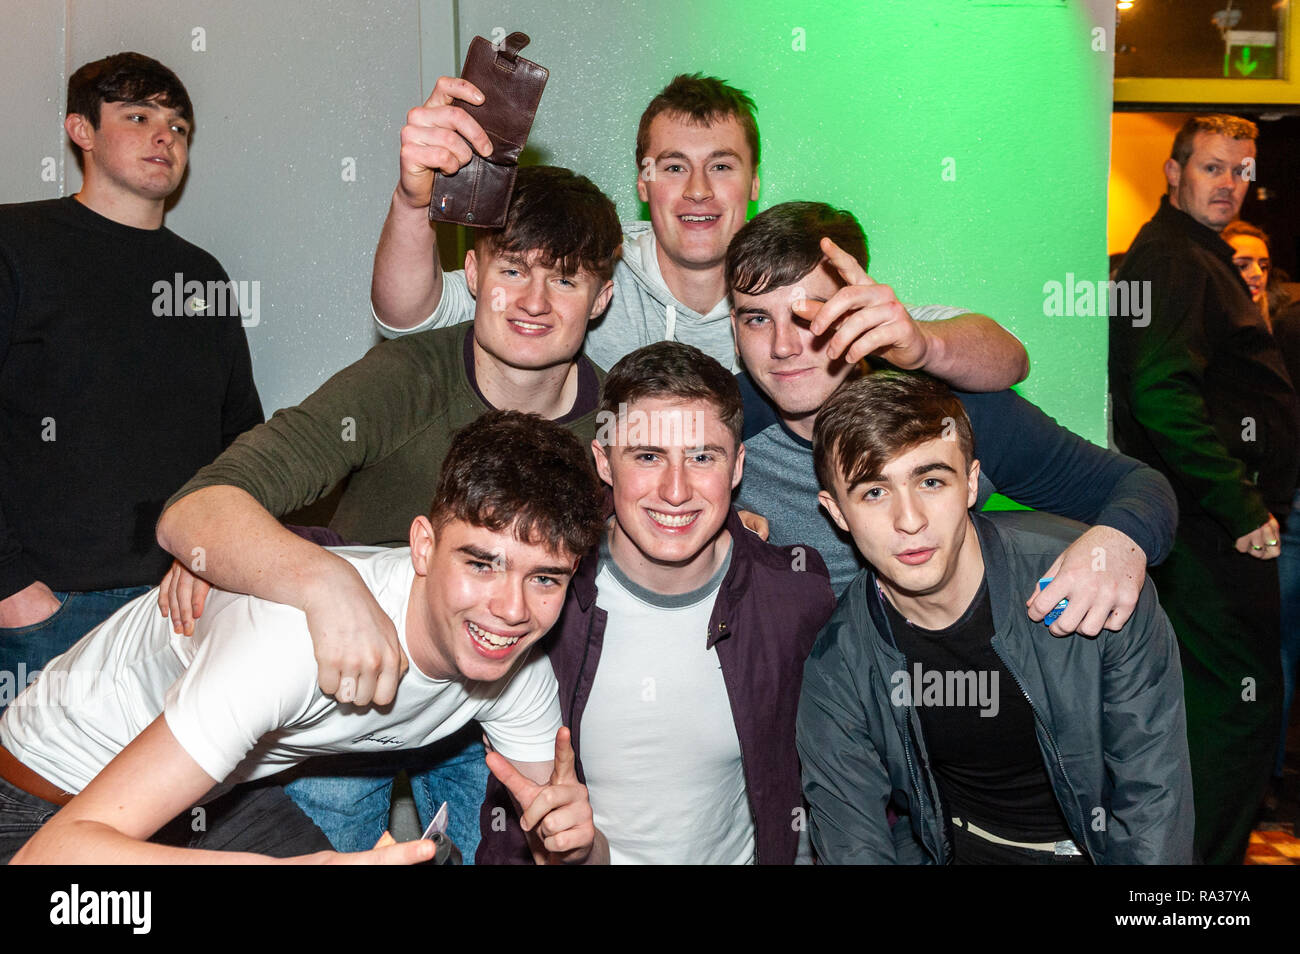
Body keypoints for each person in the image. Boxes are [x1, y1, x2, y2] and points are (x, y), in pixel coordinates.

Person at [153, 164, 620, 858]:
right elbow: (205, 504)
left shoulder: (615, 429)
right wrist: (240, 558)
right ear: (472, 271)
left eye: (566, 278)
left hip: (500, 698)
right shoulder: (406, 377)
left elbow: (674, 530)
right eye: (513, 269)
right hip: (346, 689)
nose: (535, 300)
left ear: (603, 296)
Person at [2, 411, 606, 864]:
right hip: (48, 800)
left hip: (215, 798)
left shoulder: (517, 666)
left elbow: (560, 833)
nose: (510, 610)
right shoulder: (288, 642)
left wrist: (577, 842)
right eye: (482, 564)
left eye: (545, 578)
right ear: (423, 545)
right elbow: (51, 859)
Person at [371, 72, 1029, 384]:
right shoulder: (587, 271)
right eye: (673, 166)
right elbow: (408, 315)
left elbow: (1008, 354)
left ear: (755, 185)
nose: (696, 191)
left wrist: (921, 346)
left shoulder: (795, 283)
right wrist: (411, 196)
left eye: (721, 166)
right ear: (641, 183)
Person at [727, 202, 1177, 639]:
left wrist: (1115, 545)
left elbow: (1139, 485)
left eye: (809, 315)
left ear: (855, 310)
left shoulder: (940, 419)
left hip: (951, 678)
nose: (782, 346)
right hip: (799, 696)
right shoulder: (721, 427)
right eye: (757, 318)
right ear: (733, 328)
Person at [796, 371, 1194, 864]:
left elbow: (1153, 799)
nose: (910, 520)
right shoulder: (839, 663)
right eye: (874, 492)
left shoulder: (1093, 586)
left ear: (970, 483)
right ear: (837, 513)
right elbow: (852, 842)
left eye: (931, 481)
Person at [477, 342, 836, 864]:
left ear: (737, 467)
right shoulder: (536, 595)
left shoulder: (793, 594)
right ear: (604, 462)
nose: (675, 491)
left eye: (701, 457)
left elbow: (812, 779)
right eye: (648, 456)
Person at [0, 52, 263, 705]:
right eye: (139, 115)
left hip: (184, 610)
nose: (164, 136)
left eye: (178, 126)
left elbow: (244, 442)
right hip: (45, 614)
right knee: (33, 812)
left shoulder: (202, 277)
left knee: (173, 811)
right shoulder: (14, 241)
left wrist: (223, 569)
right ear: (80, 130)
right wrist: (11, 591)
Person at [1109, 115, 1300, 864]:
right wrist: (1240, 505)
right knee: (1237, 714)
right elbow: (1160, 395)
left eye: (1242, 171)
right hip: (1209, 532)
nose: (1229, 185)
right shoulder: (1177, 259)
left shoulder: (1192, 255)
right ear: (1174, 172)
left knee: (1221, 711)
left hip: (1207, 527)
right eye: (1214, 168)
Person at [1226, 219, 1300, 811]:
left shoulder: (1286, 329)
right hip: (1260, 515)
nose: (1252, 272)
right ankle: (1261, 782)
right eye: (1240, 261)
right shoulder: (1215, 331)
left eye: (1261, 263)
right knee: (1266, 645)